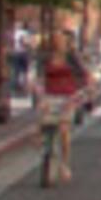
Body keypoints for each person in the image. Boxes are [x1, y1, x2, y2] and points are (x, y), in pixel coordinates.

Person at [36, 35, 84, 187]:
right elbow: (39, 78)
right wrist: (39, 95)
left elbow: (83, 76)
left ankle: (64, 163)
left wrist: (79, 95)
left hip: (67, 98)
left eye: (60, 41)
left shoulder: (72, 58)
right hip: (49, 97)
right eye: (55, 41)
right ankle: (45, 154)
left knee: (64, 130)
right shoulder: (45, 58)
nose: (58, 43)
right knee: (42, 126)